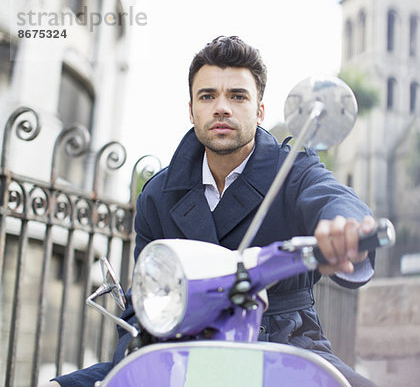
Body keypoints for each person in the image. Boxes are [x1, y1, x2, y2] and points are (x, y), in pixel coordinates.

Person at [45, 36, 377, 387]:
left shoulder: (292, 169)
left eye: (237, 96)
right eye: (208, 96)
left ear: (259, 109)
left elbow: (332, 196)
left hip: (284, 348)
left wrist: (344, 227)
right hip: (181, 353)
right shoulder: (159, 195)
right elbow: (146, 297)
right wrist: (138, 363)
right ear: (191, 109)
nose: (222, 107)